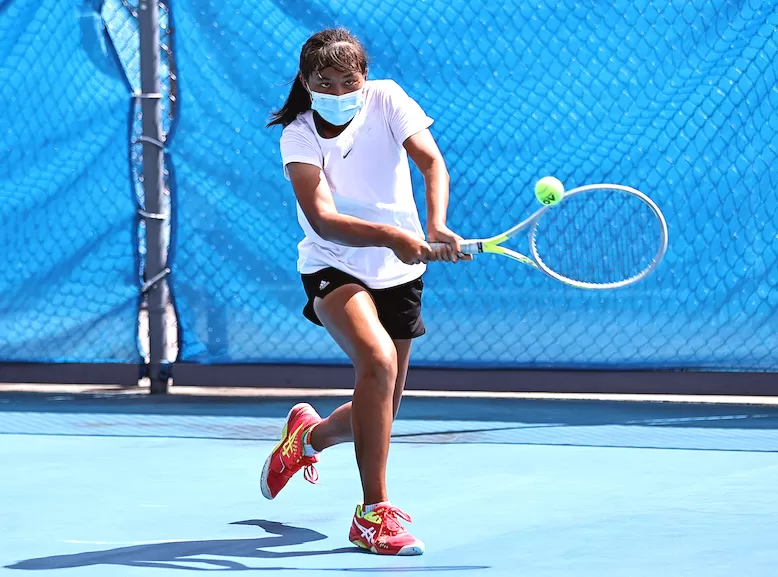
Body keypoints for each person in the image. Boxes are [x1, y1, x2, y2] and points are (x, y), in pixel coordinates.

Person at [262, 27, 468, 556]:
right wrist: (394, 236)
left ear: (365, 78)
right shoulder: (298, 136)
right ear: (305, 83)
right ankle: (373, 514)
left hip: (399, 273)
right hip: (333, 265)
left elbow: (430, 162)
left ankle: (307, 438)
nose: (337, 93)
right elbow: (323, 220)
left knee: (381, 408)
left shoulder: (388, 99)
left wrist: (436, 225)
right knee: (377, 363)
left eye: (347, 82)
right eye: (324, 84)